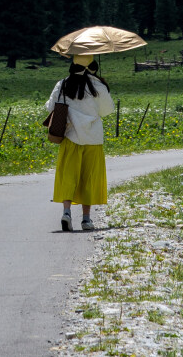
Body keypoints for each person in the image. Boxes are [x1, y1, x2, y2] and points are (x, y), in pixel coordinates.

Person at [44, 55, 114, 232]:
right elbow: (108, 110)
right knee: (88, 177)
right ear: (93, 67)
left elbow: (50, 107)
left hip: (69, 137)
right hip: (93, 138)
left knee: (68, 175)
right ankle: (86, 219)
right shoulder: (98, 86)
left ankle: (66, 212)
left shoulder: (63, 84)